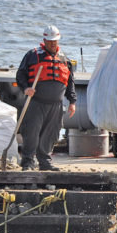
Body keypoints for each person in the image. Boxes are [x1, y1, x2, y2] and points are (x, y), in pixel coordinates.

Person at [16, 25, 76, 171]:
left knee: (52, 133)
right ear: (44, 40)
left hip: (56, 104)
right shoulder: (32, 55)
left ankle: (45, 161)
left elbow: (70, 82)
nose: (52, 43)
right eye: (49, 41)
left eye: (55, 41)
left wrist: (72, 101)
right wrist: (26, 88)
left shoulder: (65, 59)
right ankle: (27, 162)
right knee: (31, 132)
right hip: (36, 102)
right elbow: (20, 75)